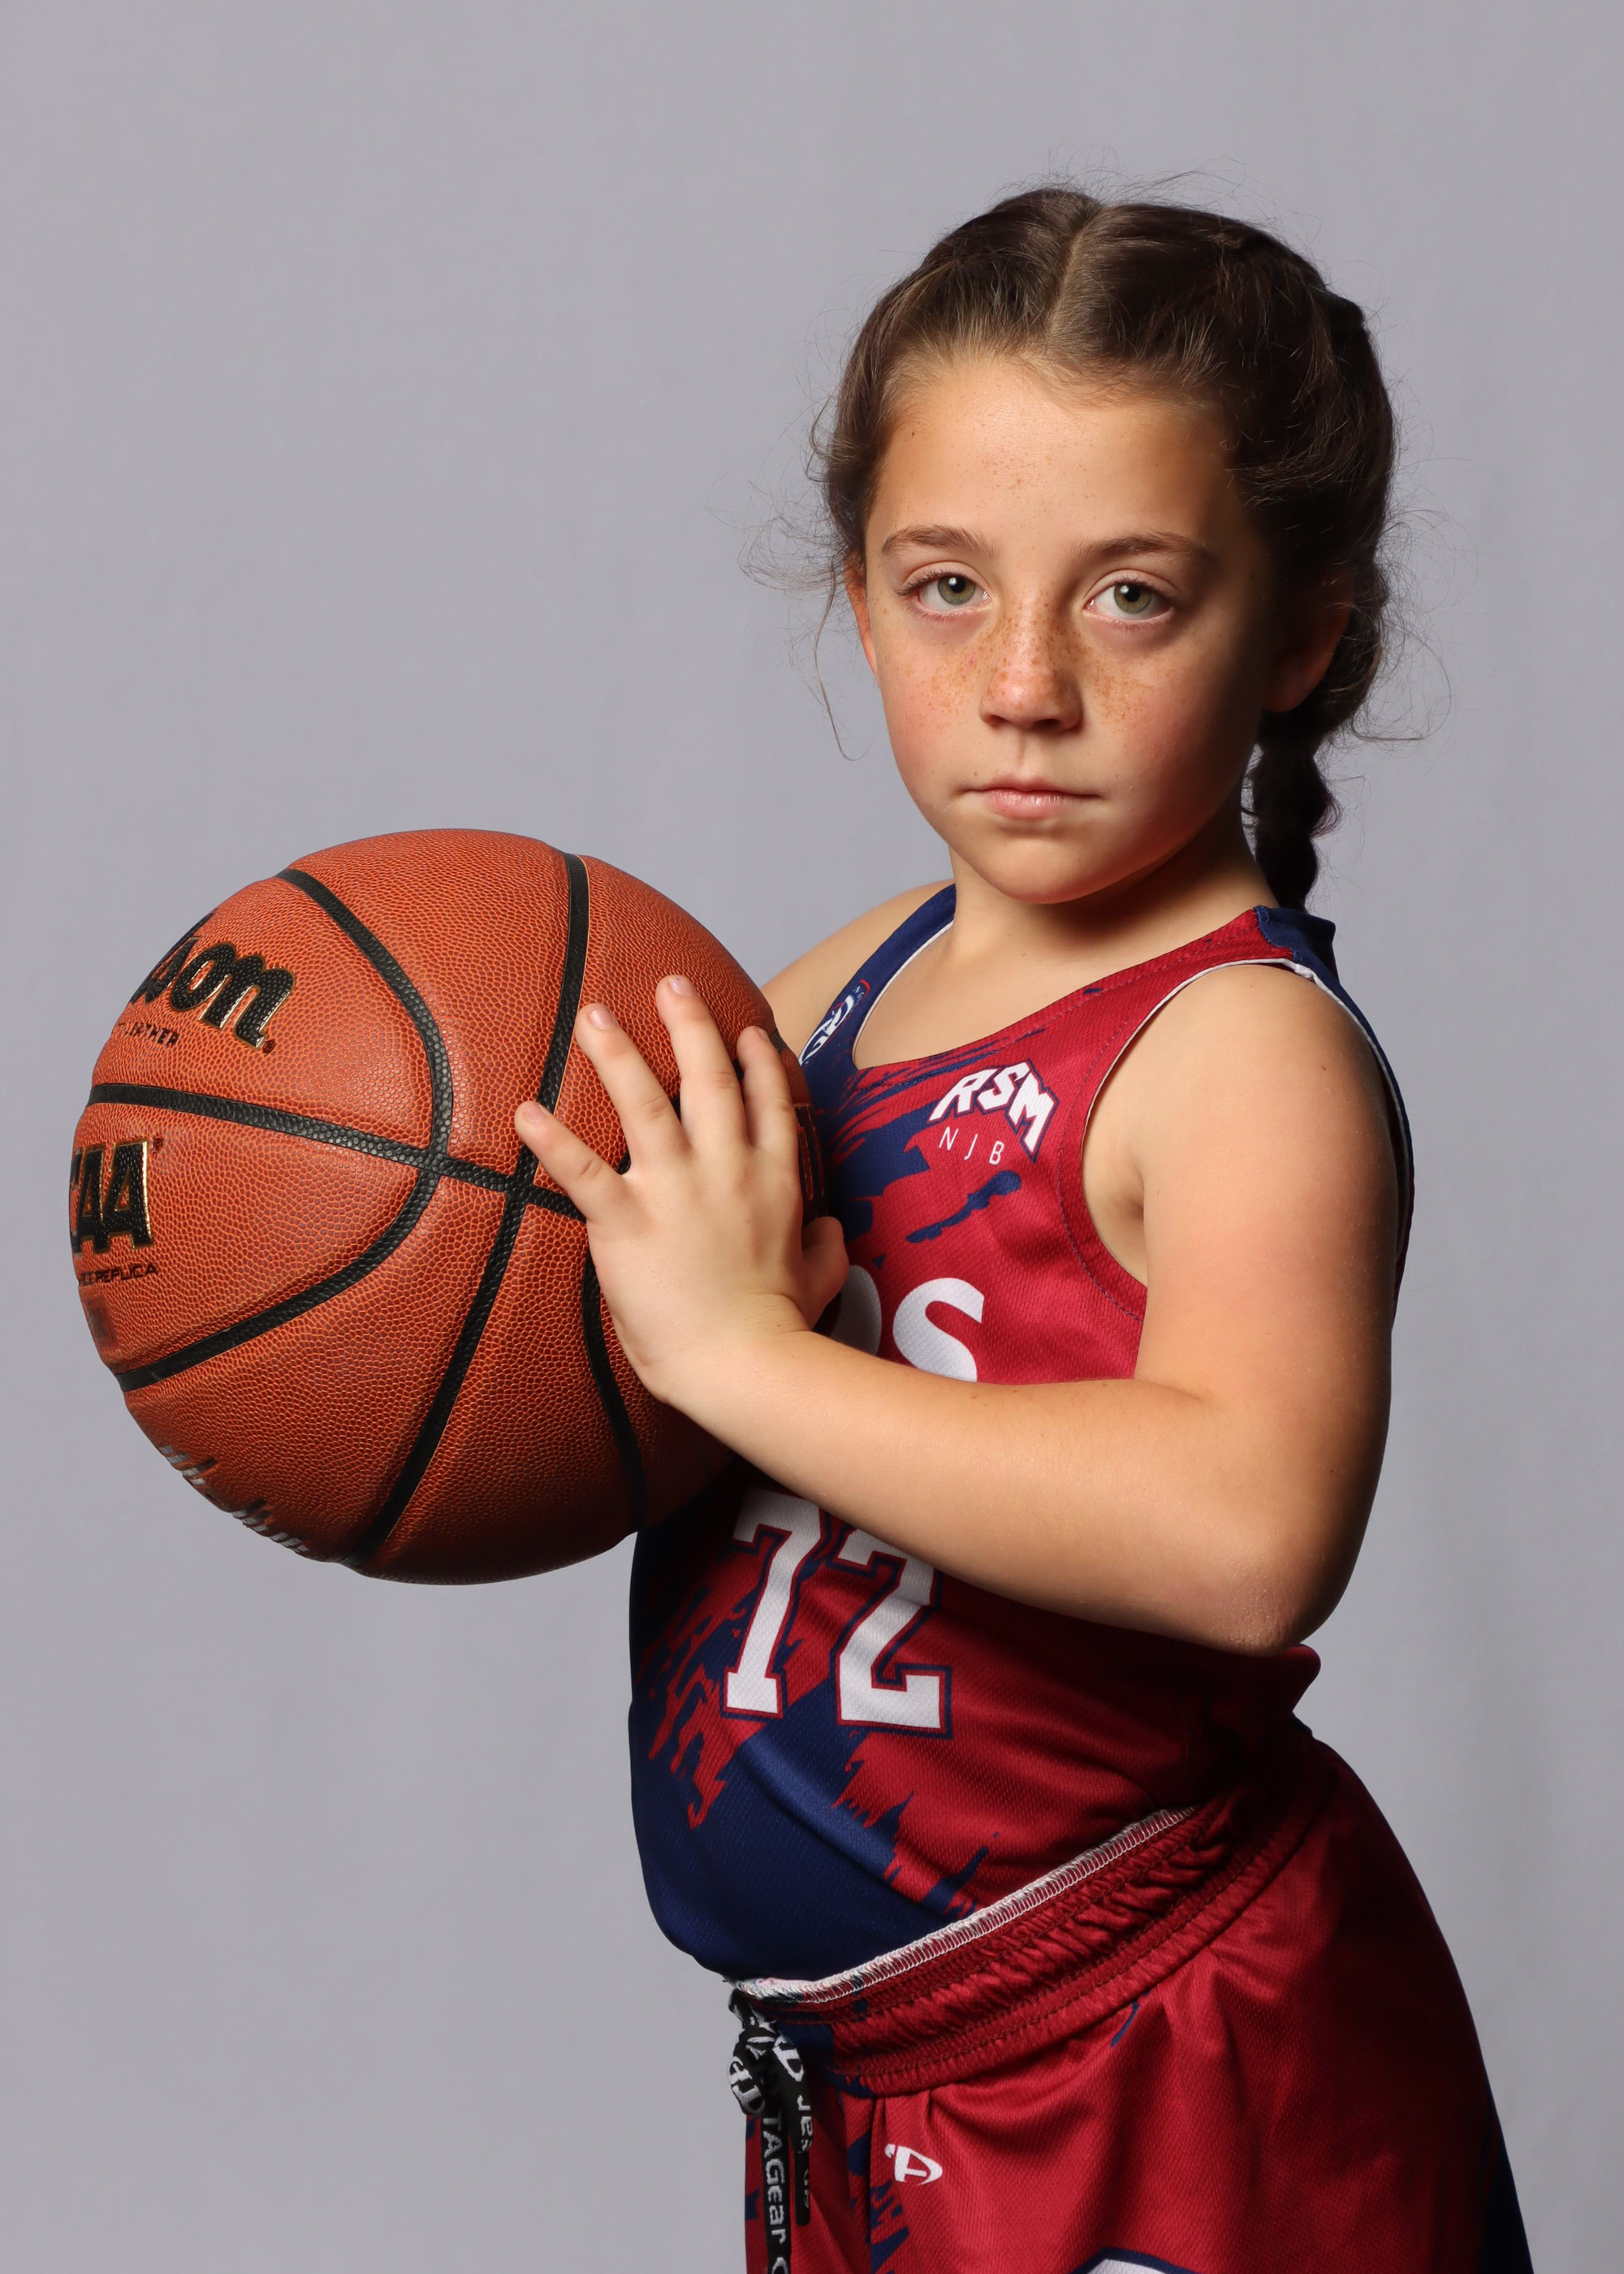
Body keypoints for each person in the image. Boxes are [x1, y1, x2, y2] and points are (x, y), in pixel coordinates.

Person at [516, 188, 1532, 2274]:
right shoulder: (844, 987)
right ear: (859, 599)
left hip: (1167, 2062)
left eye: (1132, 596)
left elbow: (1247, 1529)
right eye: (946, 586)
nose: (1023, 683)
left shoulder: (1233, 1046)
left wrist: (742, 1355)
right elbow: (566, 1301)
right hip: (875, 2081)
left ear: (1299, 633)